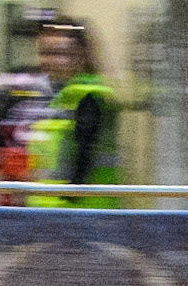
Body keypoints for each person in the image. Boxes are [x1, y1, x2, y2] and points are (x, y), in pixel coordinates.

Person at [23, 17, 119, 207]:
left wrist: (62, 211)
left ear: (81, 55)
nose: (48, 61)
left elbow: (82, 163)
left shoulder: (89, 95)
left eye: (59, 53)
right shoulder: (63, 95)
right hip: (54, 212)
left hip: (80, 214)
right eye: (45, 53)